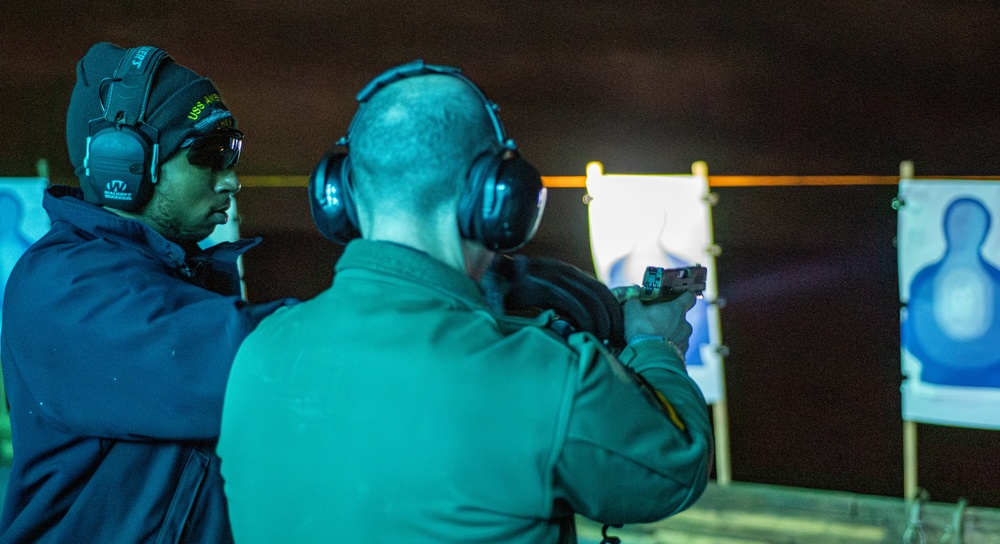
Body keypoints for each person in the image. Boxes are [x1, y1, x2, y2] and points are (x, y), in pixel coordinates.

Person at [218, 60, 713, 543]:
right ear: (496, 198)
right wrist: (655, 345)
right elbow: (674, 470)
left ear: (340, 196)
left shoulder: (259, 354)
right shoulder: (543, 377)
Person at [0, 42, 295, 542]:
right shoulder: (61, 287)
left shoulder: (175, 275)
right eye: (208, 155)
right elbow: (231, 361)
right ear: (126, 165)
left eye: (232, 153)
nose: (231, 181)